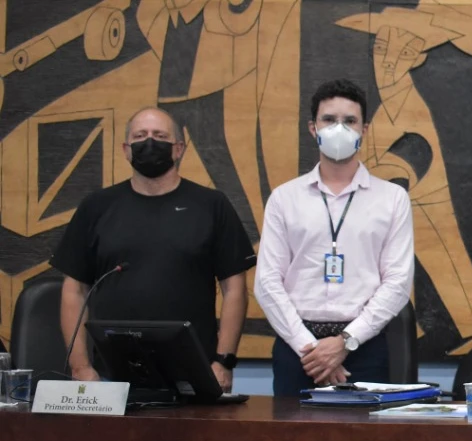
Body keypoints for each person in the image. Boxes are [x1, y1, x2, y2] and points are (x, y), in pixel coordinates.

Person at [51, 107, 255, 391]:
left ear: (178, 149)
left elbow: (234, 289)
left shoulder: (212, 205)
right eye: (140, 136)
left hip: (194, 374)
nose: (149, 142)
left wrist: (223, 361)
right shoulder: (96, 207)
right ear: (126, 149)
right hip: (111, 373)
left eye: (159, 136)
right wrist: (80, 367)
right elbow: (74, 290)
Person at [255, 79, 414, 396]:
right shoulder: (284, 198)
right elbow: (267, 281)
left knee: (362, 430)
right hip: (297, 349)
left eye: (349, 121)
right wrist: (311, 349)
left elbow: (398, 282)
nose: (339, 129)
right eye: (329, 120)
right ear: (312, 128)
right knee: (289, 430)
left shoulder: (392, 198)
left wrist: (345, 342)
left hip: (364, 347)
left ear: (364, 130)